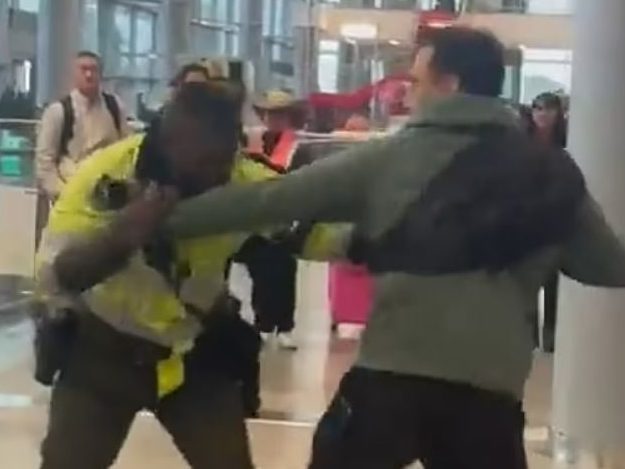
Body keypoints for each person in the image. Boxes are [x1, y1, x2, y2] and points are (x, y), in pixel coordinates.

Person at [166, 27, 625, 468]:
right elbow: (607, 266)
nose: (407, 95)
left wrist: (154, 219)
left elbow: (266, 201)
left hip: (390, 381)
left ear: (450, 84)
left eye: (416, 82)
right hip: (489, 393)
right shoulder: (549, 172)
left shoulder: (390, 158)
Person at [35, 82, 348, 468]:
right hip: (102, 355)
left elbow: (318, 236)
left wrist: (387, 235)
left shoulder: (244, 181)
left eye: (225, 157)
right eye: (203, 161)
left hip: (190, 356)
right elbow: (56, 275)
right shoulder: (106, 176)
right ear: (168, 143)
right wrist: (124, 235)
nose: (217, 173)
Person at [234, 90, 309, 349]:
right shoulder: (251, 141)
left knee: (285, 270)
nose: (274, 119)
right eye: (270, 113)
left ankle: (285, 326)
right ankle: (263, 323)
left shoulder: (299, 147)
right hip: (254, 218)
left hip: (284, 218)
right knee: (261, 270)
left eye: (280, 113)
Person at [36, 51, 129, 201]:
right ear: (74, 74)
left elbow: (126, 146)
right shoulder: (59, 111)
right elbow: (45, 159)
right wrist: (62, 193)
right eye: (83, 69)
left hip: (110, 191)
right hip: (71, 189)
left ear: (101, 74)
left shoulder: (115, 106)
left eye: (93, 70)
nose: (88, 75)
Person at [528, 91, 569, 352]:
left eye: (548, 109)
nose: (542, 114)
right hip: (526, 218)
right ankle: (530, 336)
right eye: (538, 109)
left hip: (554, 217)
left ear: (558, 113)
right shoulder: (521, 142)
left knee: (553, 281)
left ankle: (551, 335)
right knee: (528, 280)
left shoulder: (567, 143)